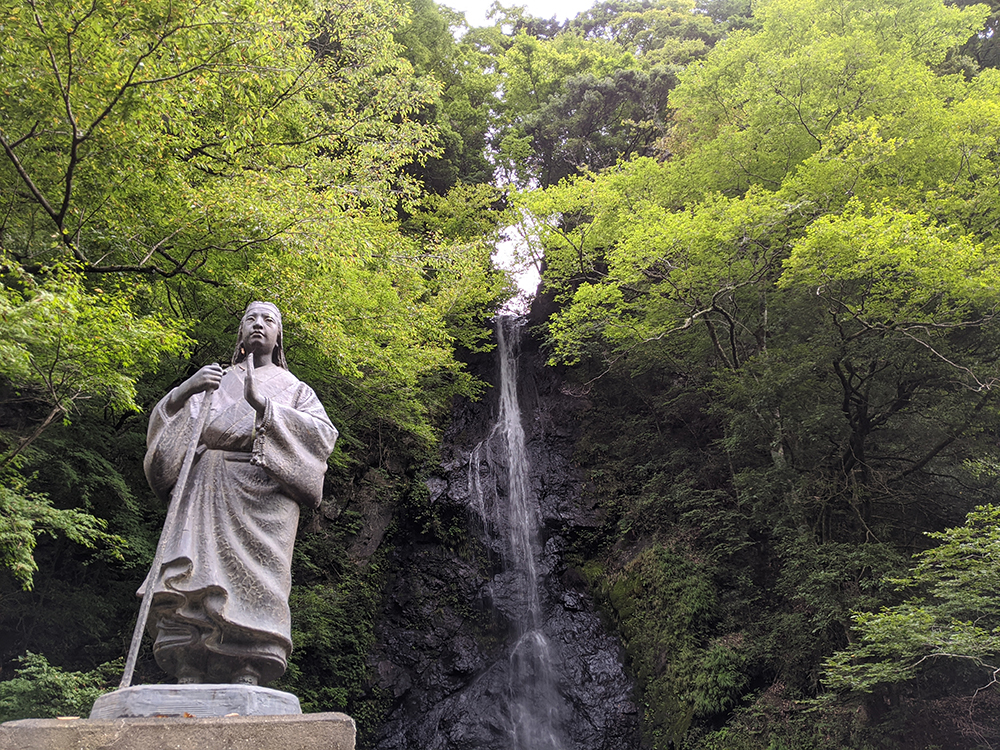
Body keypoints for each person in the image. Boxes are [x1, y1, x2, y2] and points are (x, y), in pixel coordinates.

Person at [140, 301, 338, 686]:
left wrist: (263, 405)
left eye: (269, 320)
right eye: (251, 319)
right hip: (207, 485)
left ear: (279, 335)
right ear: (240, 333)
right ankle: (189, 662)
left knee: (258, 581)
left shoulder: (296, 389)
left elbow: (322, 437)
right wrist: (185, 389)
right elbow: (165, 437)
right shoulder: (213, 381)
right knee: (192, 574)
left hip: (263, 491)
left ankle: (248, 661)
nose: (259, 325)